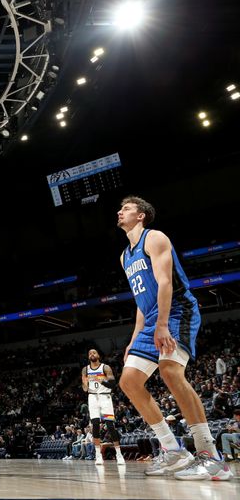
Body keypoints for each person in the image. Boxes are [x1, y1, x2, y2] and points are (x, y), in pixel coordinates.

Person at [116, 196, 233, 480]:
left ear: (141, 215)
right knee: (128, 381)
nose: (120, 212)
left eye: (127, 209)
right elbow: (141, 301)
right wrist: (134, 338)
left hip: (177, 310)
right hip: (151, 318)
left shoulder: (154, 238)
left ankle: (211, 456)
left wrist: (163, 324)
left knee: (170, 371)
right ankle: (174, 450)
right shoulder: (124, 256)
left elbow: (165, 282)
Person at [81, 348, 125, 465]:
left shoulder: (105, 368)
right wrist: (84, 383)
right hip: (92, 397)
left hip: (105, 397)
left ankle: (119, 454)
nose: (92, 354)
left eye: (94, 352)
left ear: (98, 355)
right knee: (95, 425)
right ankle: (98, 455)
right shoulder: (85, 370)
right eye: (89, 353)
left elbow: (112, 384)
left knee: (110, 425)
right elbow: (85, 389)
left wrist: (99, 380)